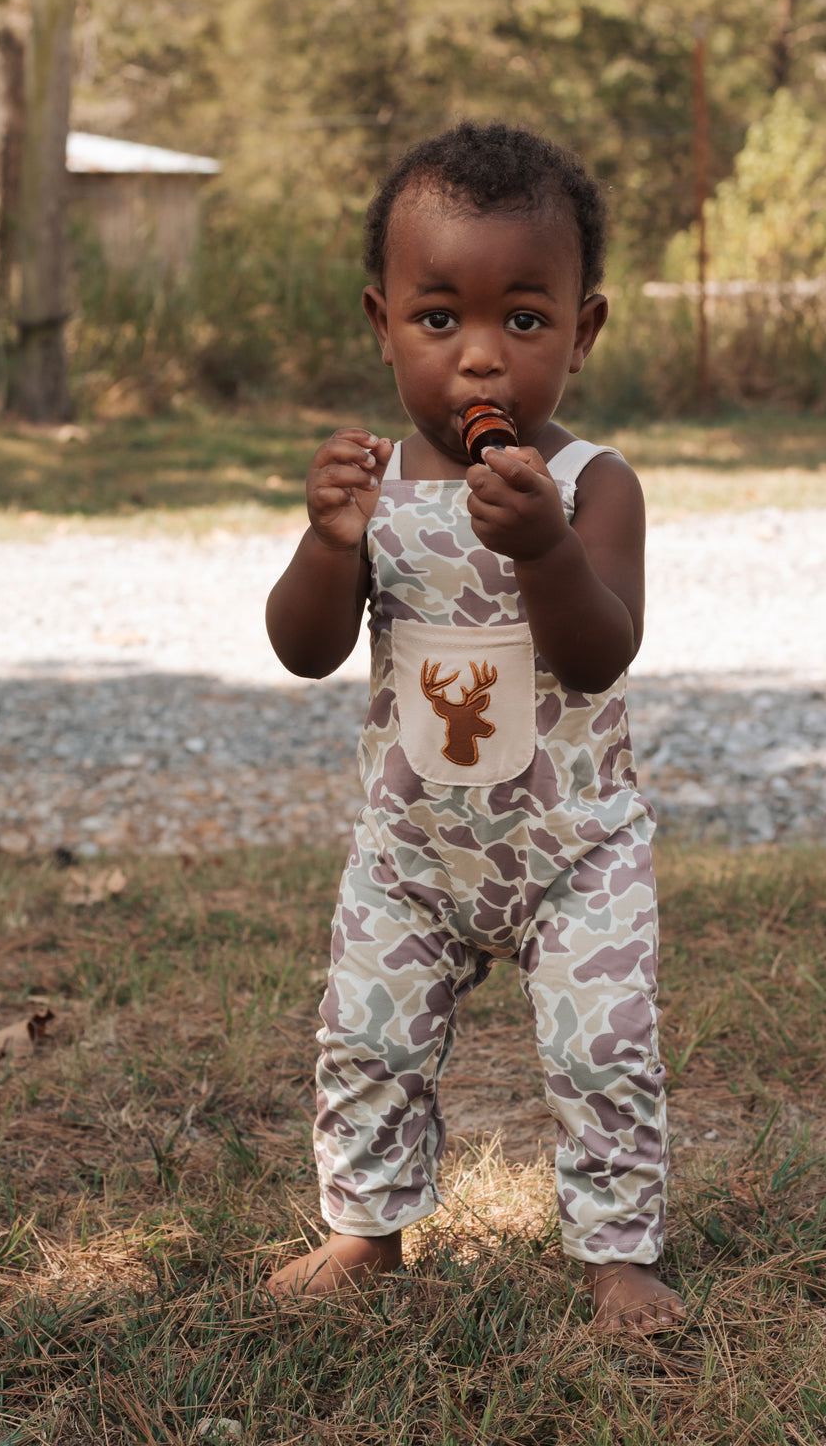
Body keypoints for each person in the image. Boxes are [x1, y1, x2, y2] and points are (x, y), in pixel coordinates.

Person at [264, 120, 684, 1333]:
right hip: (412, 854)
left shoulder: (596, 484)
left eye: (526, 320)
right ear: (380, 322)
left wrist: (546, 545)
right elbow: (304, 649)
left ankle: (618, 1253)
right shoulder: (371, 484)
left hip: (574, 851)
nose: (482, 360)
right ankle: (366, 1229)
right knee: (367, 1040)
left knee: (604, 1051)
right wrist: (327, 543)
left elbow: (601, 650)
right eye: (439, 320)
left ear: (584, 330)